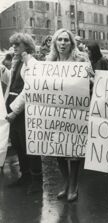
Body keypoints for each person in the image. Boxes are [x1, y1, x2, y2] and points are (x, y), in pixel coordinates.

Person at [47, 28, 90, 202]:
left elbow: (91, 80)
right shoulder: (49, 62)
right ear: (55, 43)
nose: (63, 43)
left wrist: (89, 78)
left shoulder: (80, 60)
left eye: (66, 40)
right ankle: (65, 182)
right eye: (60, 40)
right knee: (59, 149)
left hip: (75, 112)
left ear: (71, 43)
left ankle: (74, 184)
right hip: (55, 112)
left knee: (73, 150)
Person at [4, 33, 43, 194]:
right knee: (19, 145)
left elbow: (29, 89)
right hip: (13, 108)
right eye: (13, 45)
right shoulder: (17, 61)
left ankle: (36, 180)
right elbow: (11, 84)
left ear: (26, 46)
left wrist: (14, 111)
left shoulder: (31, 62)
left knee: (29, 146)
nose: (14, 47)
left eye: (17, 45)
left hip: (24, 110)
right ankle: (25, 176)